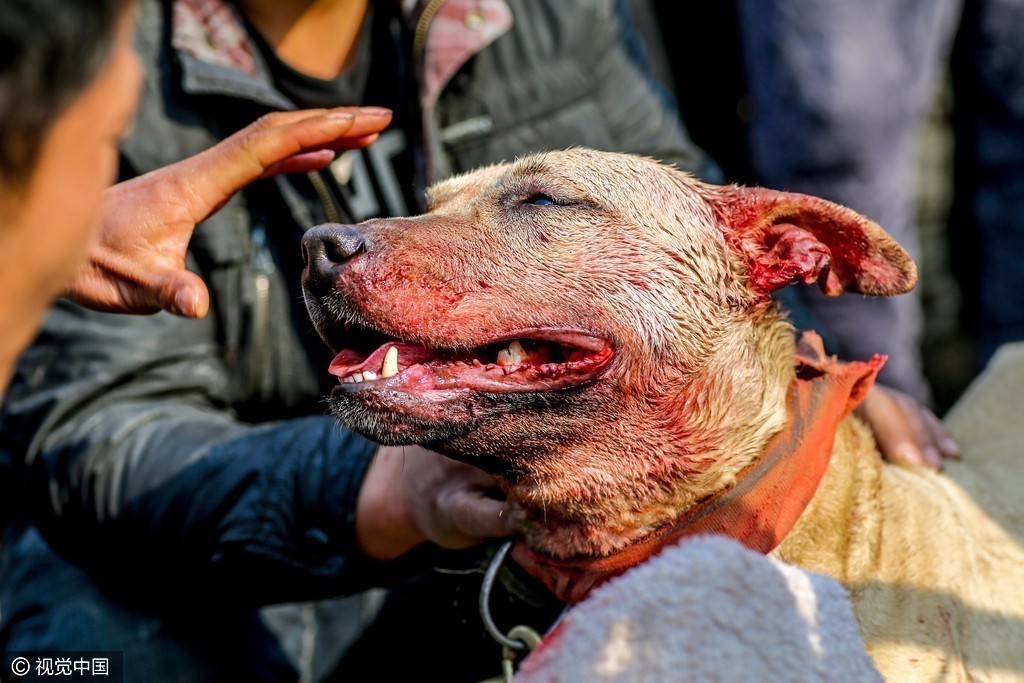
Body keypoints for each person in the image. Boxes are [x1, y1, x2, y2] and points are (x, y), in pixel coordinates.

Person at [0, 0, 956, 680]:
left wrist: (788, 366)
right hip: (220, 544)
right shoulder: (85, 51)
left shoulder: (540, 11)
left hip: (503, 522)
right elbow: (94, 438)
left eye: (536, 201)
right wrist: (386, 490)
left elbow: (677, 229)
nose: (331, 258)